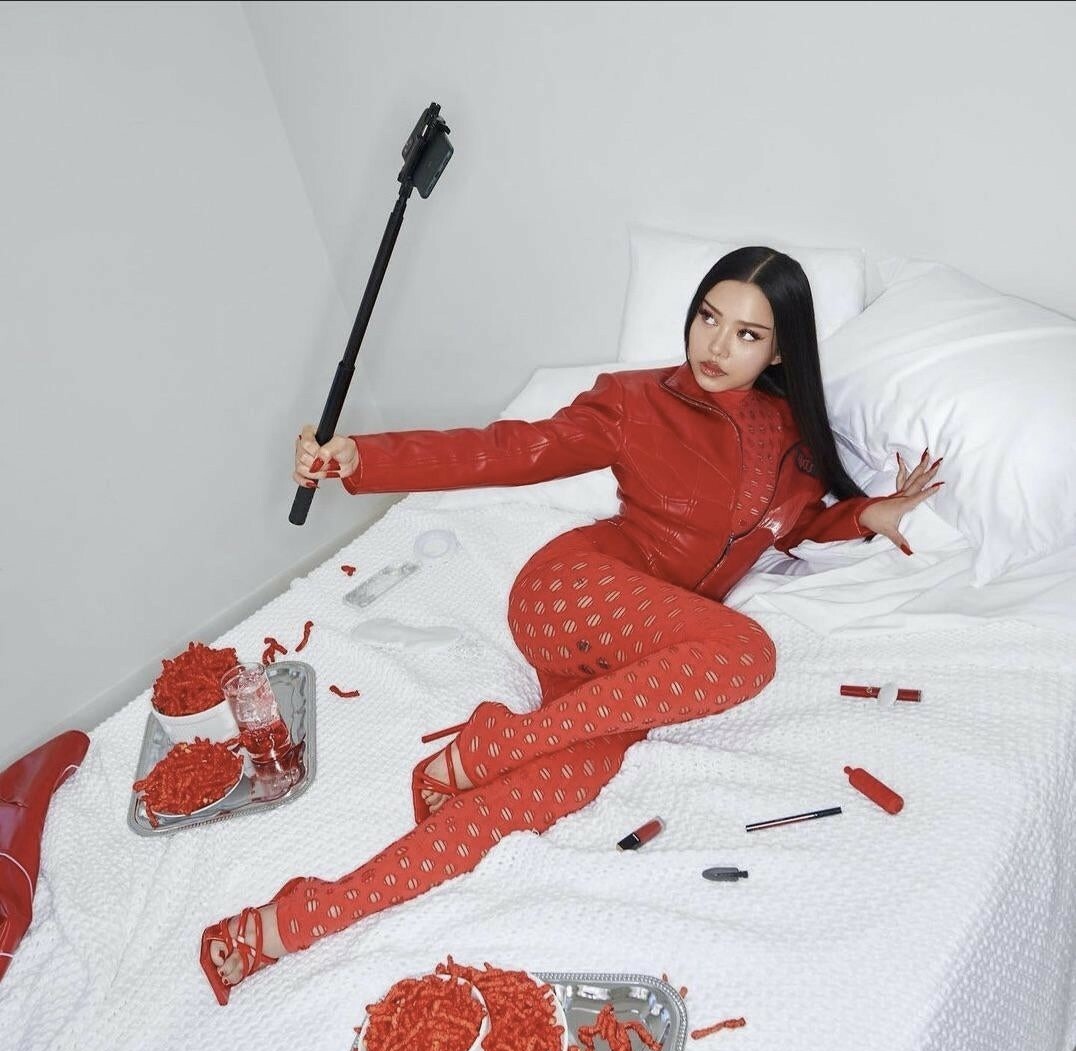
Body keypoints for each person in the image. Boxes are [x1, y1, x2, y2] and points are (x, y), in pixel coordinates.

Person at [200, 247, 942, 1004]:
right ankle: (494, 745)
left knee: (523, 805)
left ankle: (296, 920)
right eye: (708, 318)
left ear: (780, 350)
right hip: (573, 593)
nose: (717, 346)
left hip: (641, 650)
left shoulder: (794, 442)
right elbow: (506, 452)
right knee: (745, 652)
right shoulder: (634, 402)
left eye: (748, 334)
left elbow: (793, 527)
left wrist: (868, 516)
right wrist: (362, 458)